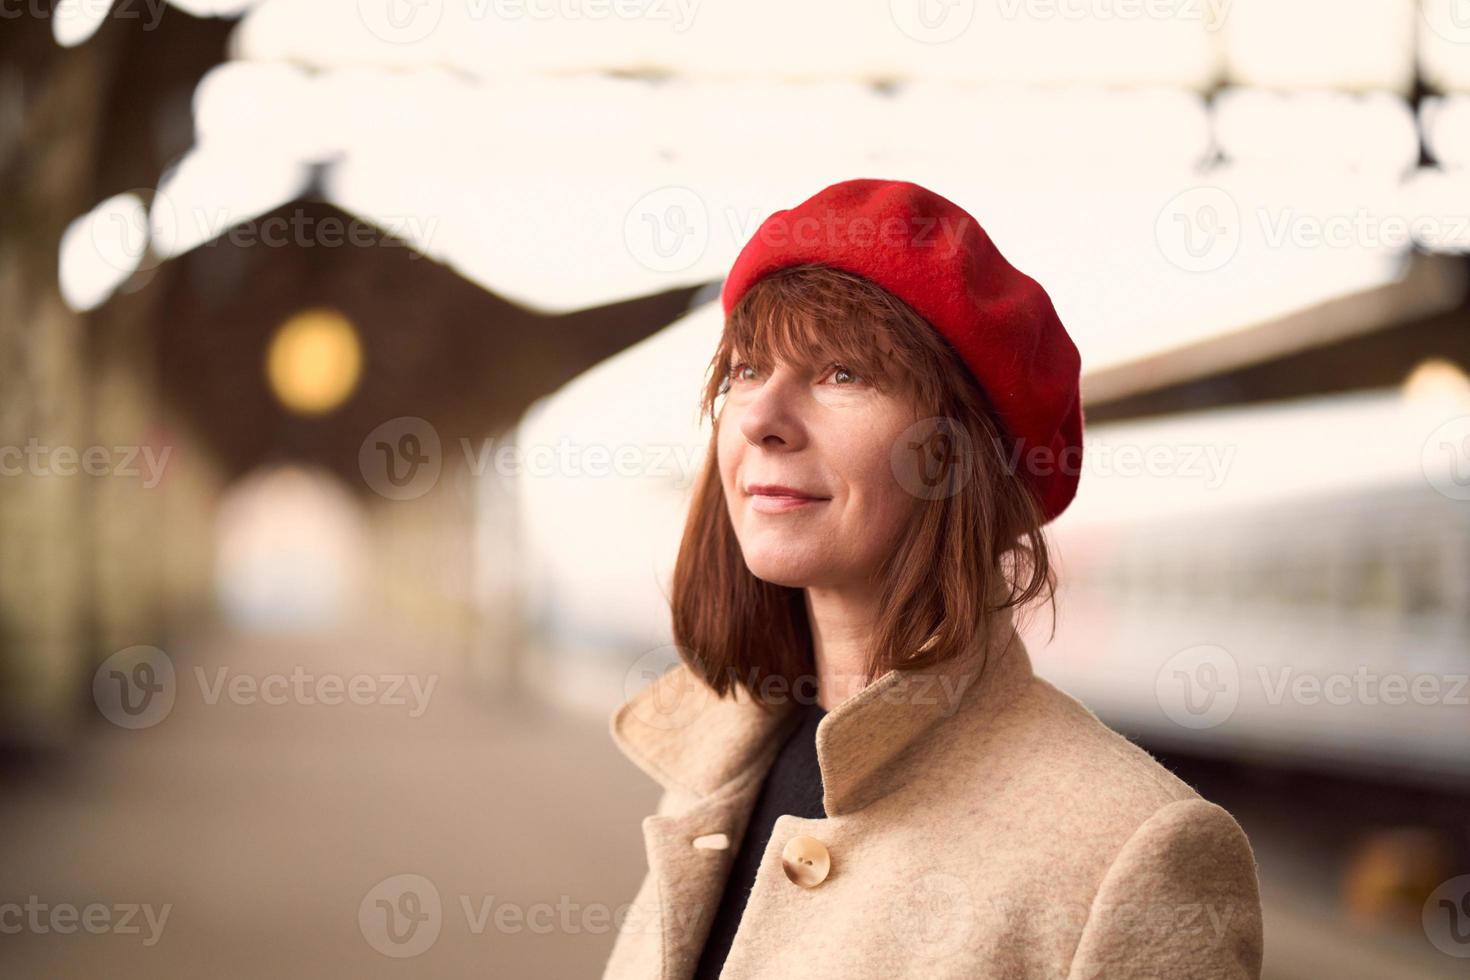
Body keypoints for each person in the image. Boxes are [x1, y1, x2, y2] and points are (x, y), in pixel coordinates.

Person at [601, 178, 1263, 979]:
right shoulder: (712, 772)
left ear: (960, 457)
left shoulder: (1136, 854)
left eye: (841, 373)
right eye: (745, 370)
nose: (758, 418)